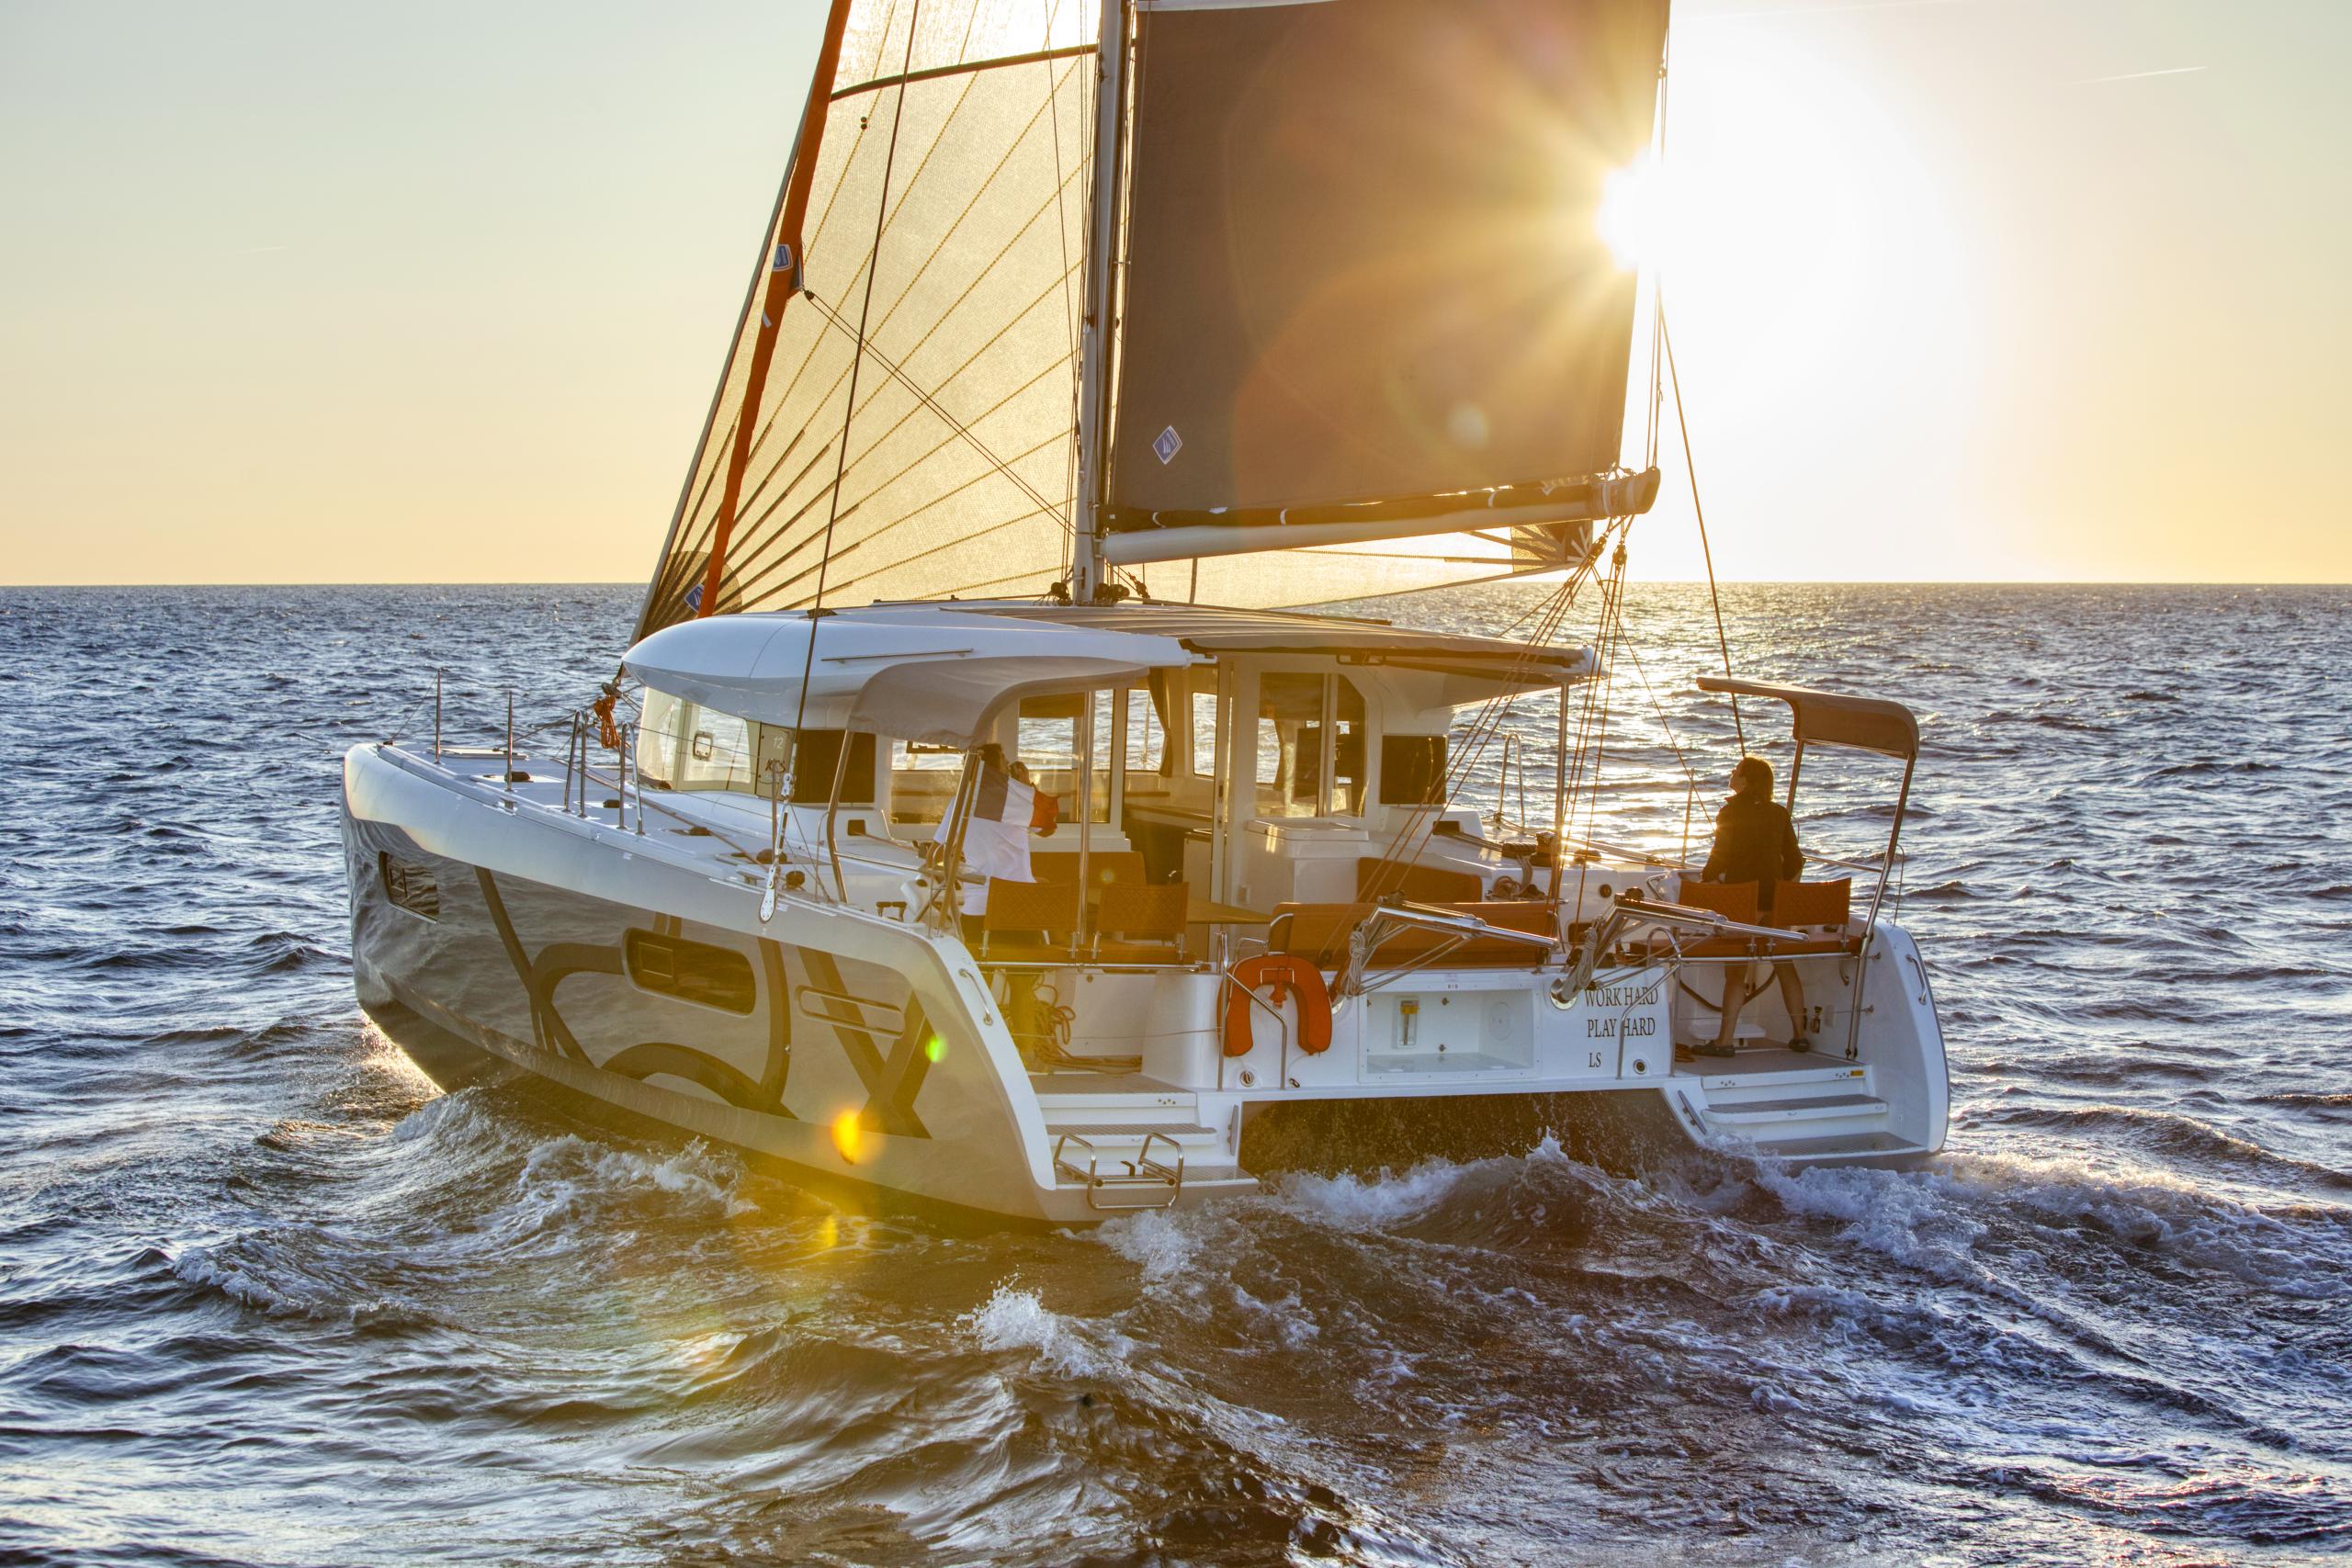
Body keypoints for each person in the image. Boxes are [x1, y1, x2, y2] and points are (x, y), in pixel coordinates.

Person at [1698, 755, 1809, 1056]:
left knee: (1736, 973)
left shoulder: (1729, 812)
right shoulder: (1779, 813)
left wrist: (1707, 878)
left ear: (1746, 781)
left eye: (1737, 770)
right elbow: (1795, 860)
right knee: (1784, 965)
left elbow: (1719, 856)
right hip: (1775, 900)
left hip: (1743, 901)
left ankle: (1724, 1042)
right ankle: (1799, 1036)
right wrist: (1780, 885)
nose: (1732, 772)